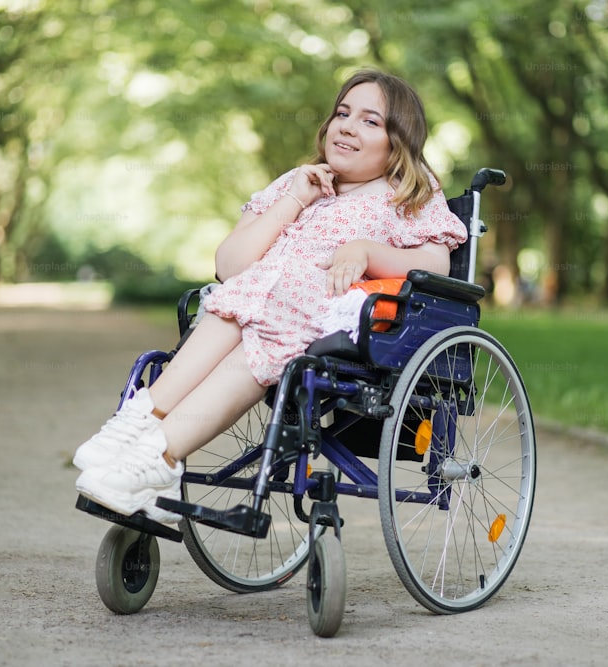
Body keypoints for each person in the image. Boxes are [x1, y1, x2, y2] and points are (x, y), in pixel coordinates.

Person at [74, 69, 468, 522]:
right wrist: (295, 200)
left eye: (369, 121)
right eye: (342, 113)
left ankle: (154, 447)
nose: (347, 125)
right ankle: (145, 431)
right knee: (240, 307)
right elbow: (230, 266)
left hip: (331, 318)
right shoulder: (296, 183)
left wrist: (365, 251)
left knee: (255, 324)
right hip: (256, 304)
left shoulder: (408, 193)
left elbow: (435, 266)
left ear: (398, 142)